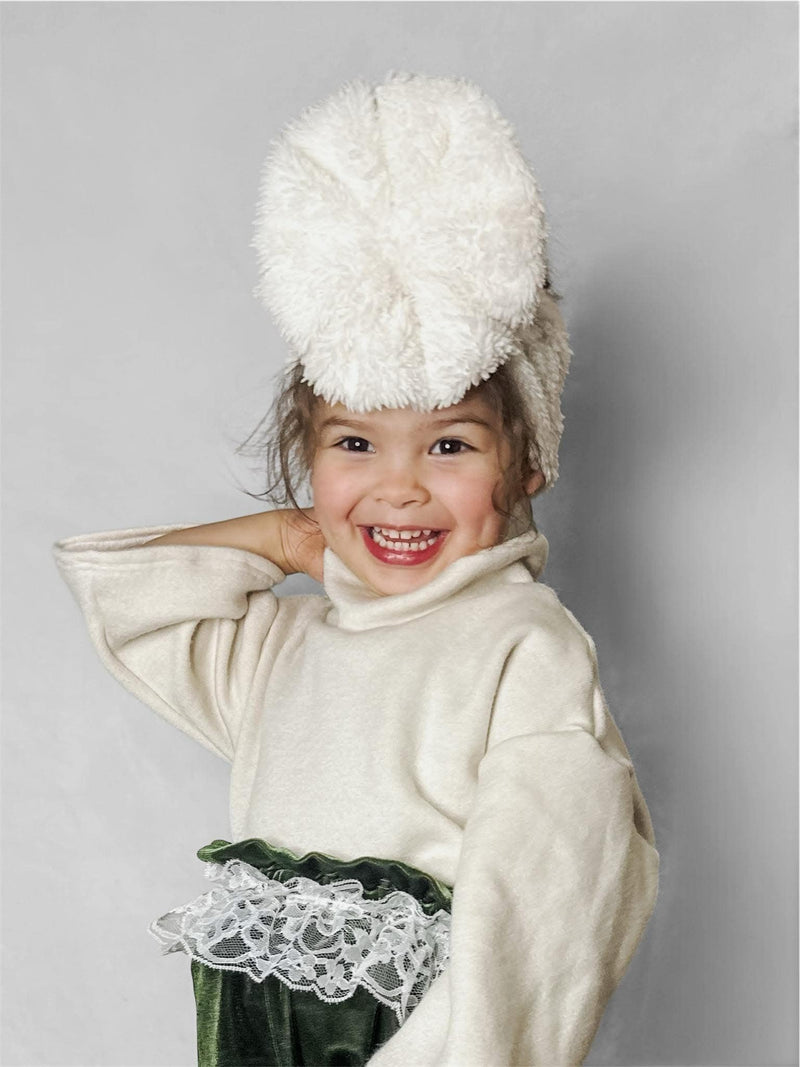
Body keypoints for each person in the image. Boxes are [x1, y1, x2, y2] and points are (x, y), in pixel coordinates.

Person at [53, 72, 659, 1067]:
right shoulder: (284, 649)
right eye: (354, 444)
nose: (399, 488)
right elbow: (126, 596)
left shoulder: (523, 647)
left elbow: (546, 910)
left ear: (528, 465)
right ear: (309, 459)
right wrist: (288, 538)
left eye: (449, 445)